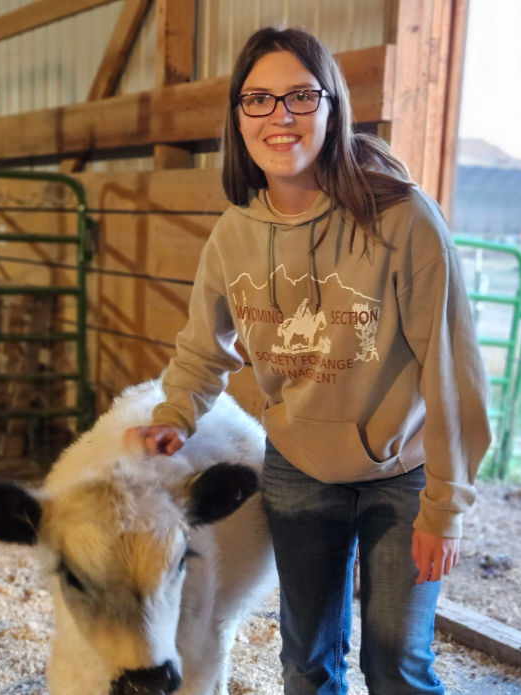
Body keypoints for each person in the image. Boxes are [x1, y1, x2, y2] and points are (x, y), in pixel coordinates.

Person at [124, 27, 491, 695]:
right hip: (298, 469)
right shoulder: (234, 235)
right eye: (257, 99)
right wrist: (175, 412)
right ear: (237, 118)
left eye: (299, 95)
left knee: (396, 666)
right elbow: (202, 349)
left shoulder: (402, 219)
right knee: (305, 664)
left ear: (332, 106)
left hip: (399, 473)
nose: (279, 116)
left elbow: (452, 369)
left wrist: (446, 505)